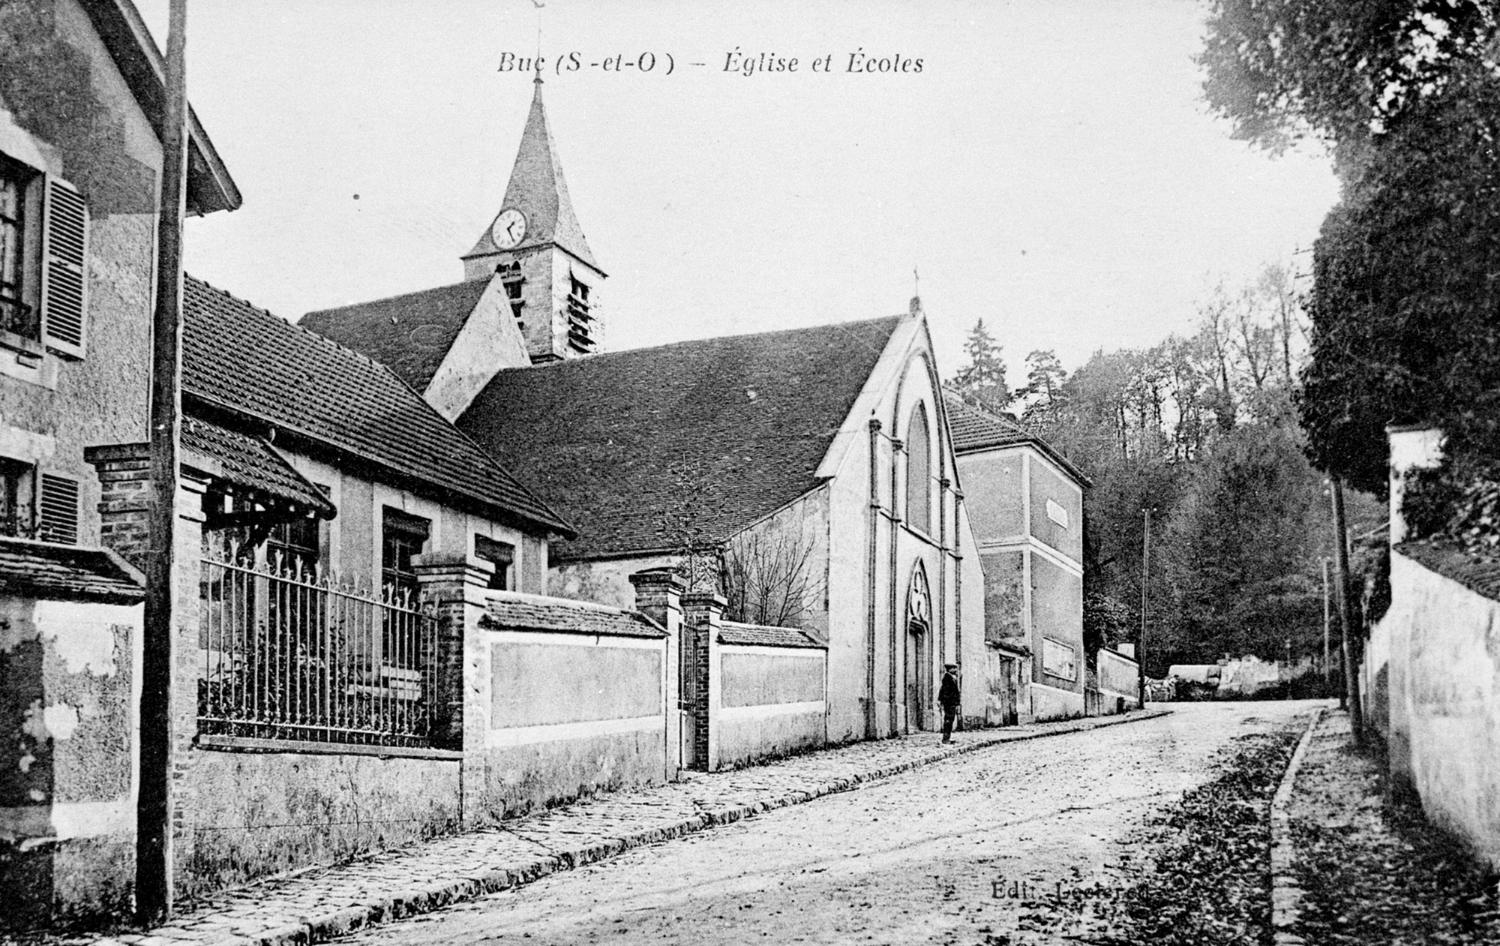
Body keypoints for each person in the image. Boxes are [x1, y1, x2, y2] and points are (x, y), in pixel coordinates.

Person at [939, 663, 961, 743]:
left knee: (950, 720)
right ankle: (945, 739)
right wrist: (945, 701)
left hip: (951, 703)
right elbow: (944, 691)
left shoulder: (951, 678)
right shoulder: (947, 678)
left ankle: (947, 738)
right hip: (949, 703)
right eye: (954, 668)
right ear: (950, 669)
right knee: (948, 720)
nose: (955, 670)